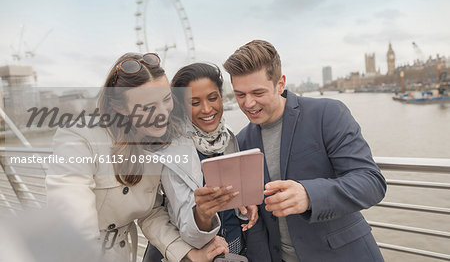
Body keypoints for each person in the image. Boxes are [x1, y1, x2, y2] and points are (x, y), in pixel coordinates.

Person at [46, 52, 228, 262]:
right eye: (148, 108)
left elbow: (150, 212)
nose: (162, 114)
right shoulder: (78, 137)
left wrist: (188, 255)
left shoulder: (157, 142)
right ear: (120, 107)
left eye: (167, 99)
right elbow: (73, 227)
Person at [223, 40, 387, 262]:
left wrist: (309, 195)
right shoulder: (241, 141)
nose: (248, 103)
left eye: (257, 92)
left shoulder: (328, 114)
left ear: (280, 84)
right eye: (240, 95)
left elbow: (371, 182)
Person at [143, 63, 258, 261]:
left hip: (238, 249)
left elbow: (233, 199)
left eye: (213, 98)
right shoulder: (170, 153)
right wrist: (203, 215)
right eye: (194, 102)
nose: (207, 109)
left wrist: (245, 201)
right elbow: (189, 232)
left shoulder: (228, 137)